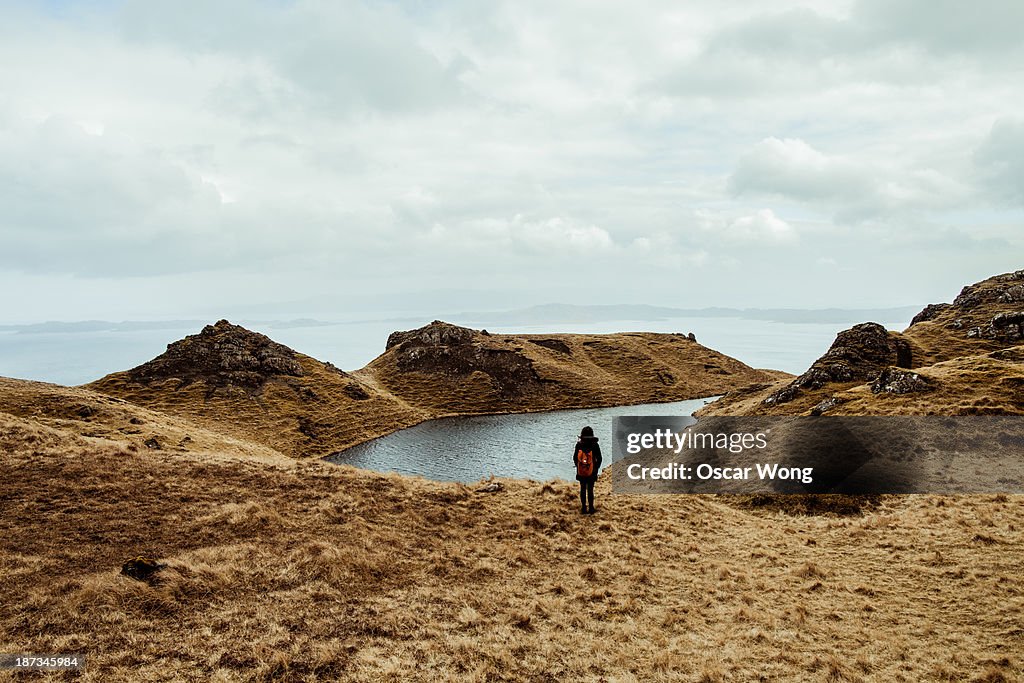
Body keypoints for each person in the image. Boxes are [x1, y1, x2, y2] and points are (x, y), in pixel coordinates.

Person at [572, 426, 602, 514]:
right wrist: (595, 469)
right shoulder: (595, 445)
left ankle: (584, 508)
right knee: (590, 489)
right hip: (591, 471)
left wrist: (579, 467)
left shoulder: (579, 445)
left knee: (583, 488)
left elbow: (574, 458)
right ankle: (591, 508)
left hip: (581, 471)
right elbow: (599, 458)